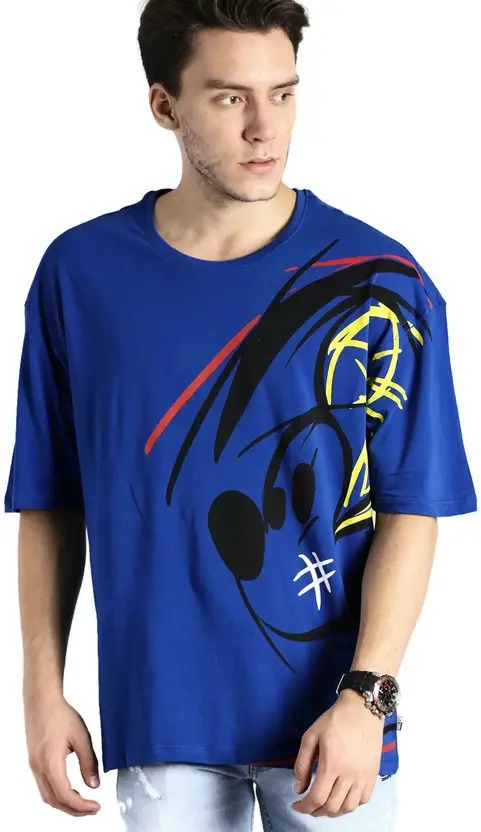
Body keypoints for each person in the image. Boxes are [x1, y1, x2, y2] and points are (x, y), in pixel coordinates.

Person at [4, 0, 477, 829]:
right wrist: (41, 695)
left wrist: (366, 697)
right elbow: (50, 497)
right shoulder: (80, 274)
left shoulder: (378, 279)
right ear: (164, 105)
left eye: (283, 94)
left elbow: (413, 505)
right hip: (160, 718)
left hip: (332, 724)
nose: (265, 127)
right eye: (229, 98)